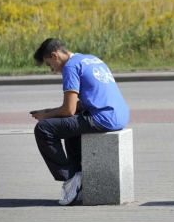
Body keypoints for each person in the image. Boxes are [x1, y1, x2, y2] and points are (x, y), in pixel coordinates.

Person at [31, 38, 130, 206]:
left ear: (55, 55)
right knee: (68, 125)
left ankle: (69, 178)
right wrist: (52, 111)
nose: (51, 70)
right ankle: (79, 179)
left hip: (103, 118)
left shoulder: (70, 67)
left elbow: (68, 110)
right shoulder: (91, 59)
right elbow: (80, 105)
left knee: (43, 129)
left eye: (49, 64)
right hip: (120, 115)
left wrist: (45, 116)